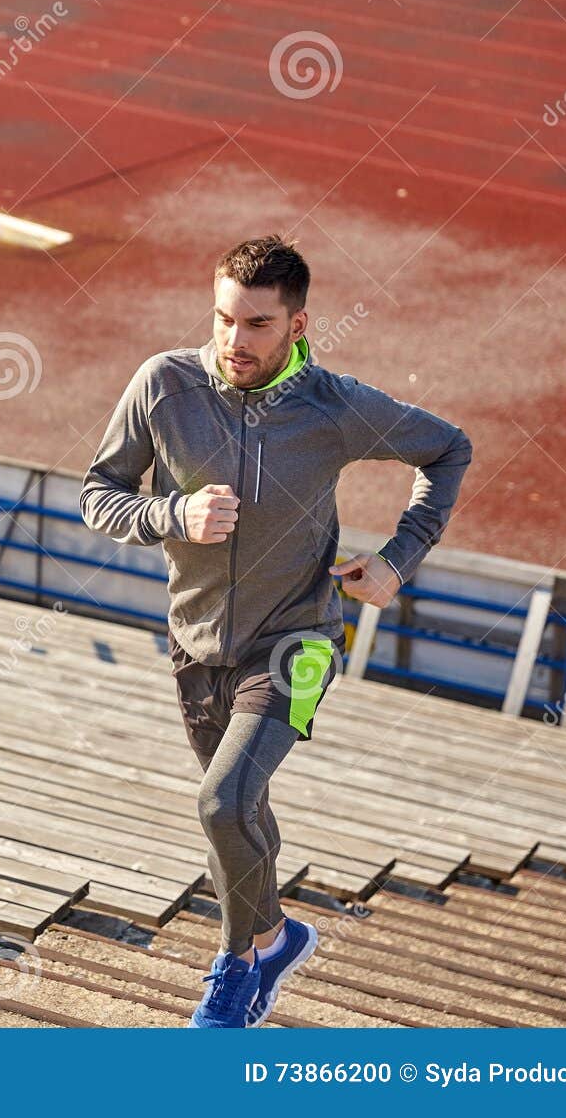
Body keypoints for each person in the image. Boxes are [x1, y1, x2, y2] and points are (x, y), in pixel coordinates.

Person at [79, 234, 472, 1028]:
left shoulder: (331, 405)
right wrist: (170, 515)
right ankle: (276, 936)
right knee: (241, 813)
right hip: (195, 648)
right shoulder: (164, 386)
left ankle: (234, 967)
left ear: (297, 325)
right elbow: (98, 492)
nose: (234, 341)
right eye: (224, 318)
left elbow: (447, 448)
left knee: (223, 803)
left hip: (298, 640)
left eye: (256, 324)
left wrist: (399, 559)